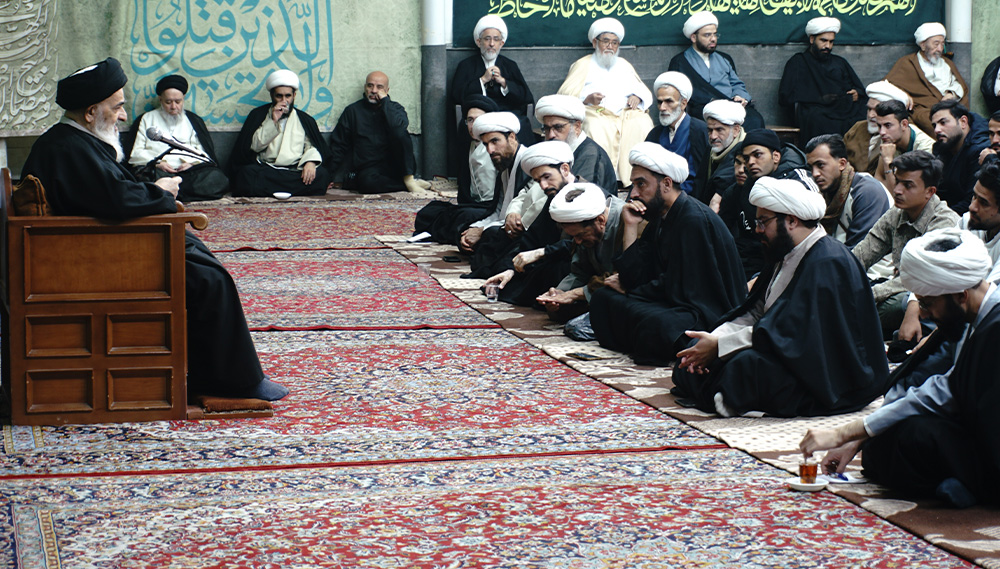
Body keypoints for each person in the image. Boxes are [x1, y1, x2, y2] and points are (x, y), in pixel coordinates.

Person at [20, 58, 288, 401]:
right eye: (117, 107)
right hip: (94, 257)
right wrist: (161, 193)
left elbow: (108, 193)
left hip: (98, 245)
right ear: (90, 112)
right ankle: (231, 383)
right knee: (209, 280)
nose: (122, 116)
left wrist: (155, 193)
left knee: (202, 262)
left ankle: (217, 374)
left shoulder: (74, 141)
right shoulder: (67, 148)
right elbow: (114, 200)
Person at [801, 228, 1000, 508]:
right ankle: (960, 481)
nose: (925, 314)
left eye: (927, 304)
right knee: (886, 438)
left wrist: (846, 432)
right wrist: (858, 436)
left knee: (912, 437)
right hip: (978, 429)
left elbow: (948, 394)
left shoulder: (995, 327)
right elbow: (939, 386)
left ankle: (976, 486)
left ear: (961, 295)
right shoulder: (973, 317)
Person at [673, 177, 889, 417]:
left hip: (830, 372)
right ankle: (720, 390)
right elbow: (757, 311)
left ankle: (723, 391)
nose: (757, 230)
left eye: (763, 222)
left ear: (792, 221)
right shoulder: (784, 251)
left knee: (745, 366)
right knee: (692, 351)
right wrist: (714, 340)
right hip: (782, 348)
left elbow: (792, 333)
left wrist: (720, 347)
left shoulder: (827, 262)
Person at [588, 142, 745, 364]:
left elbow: (686, 288)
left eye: (641, 184)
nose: (634, 193)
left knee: (658, 324)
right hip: (671, 299)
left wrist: (632, 290)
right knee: (603, 298)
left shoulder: (693, 219)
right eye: (633, 185)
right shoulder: (660, 217)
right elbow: (634, 275)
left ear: (667, 184)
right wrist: (630, 226)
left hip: (703, 311)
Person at [853, 150, 960, 338]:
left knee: (896, 304)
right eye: (897, 181)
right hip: (898, 286)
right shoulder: (897, 213)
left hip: (930, 297)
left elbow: (921, 278)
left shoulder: (944, 222)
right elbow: (863, 253)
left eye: (907, 185)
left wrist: (867, 295)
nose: (897, 190)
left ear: (930, 192)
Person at [557, 17, 653, 182]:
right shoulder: (583, 64)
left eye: (615, 43)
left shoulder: (623, 64)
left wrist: (637, 97)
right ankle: (603, 178)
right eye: (606, 41)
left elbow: (643, 91)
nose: (610, 46)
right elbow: (564, 94)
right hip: (595, 112)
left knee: (643, 123)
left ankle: (635, 178)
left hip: (624, 113)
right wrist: (587, 98)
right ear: (595, 42)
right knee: (595, 127)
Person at [482, 141, 579, 303]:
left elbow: (577, 245)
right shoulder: (554, 195)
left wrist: (541, 253)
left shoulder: (585, 195)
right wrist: (512, 269)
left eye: (547, 177)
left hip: (577, 265)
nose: (543, 186)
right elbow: (535, 237)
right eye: (538, 181)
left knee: (551, 271)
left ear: (564, 169)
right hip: (553, 255)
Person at [718, 128, 811, 281]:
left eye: (757, 155)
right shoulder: (741, 189)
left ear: (776, 156)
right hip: (749, 261)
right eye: (746, 158)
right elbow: (722, 232)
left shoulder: (798, 182)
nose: (750, 162)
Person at [535, 182, 630, 322]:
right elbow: (579, 272)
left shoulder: (627, 221)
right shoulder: (585, 230)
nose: (578, 242)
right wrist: (559, 294)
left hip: (626, 292)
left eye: (580, 235)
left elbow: (624, 278)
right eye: (573, 237)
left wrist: (574, 294)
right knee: (559, 311)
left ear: (601, 220)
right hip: (599, 290)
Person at [325, 71, 431, 195]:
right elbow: (339, 145)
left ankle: (409, 179)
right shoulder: (352, 111)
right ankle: (408, 185)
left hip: (397, 166)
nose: (374, 90)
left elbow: (398, 128)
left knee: (400, 132)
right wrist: (328, 176)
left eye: (379, 87)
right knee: (367, 184)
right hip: (369, 169)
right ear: (365, 87)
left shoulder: (396, 108)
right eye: (370, 86)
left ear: (387, 90)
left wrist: (385, 101)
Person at [125, 74, 228, 202]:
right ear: (160, 99)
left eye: (178, 102)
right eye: (168, 102)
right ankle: (174, 191)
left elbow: (204, 154)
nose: (173, 107)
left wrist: (191, 163)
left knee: (217, 178)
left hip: (189, 173)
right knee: (140, 178)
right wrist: (158, 163)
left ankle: (167, 192)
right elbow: (135, 153)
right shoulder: (146, 119)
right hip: (158, 171)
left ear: (183, 98)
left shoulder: (193, 120)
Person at [230, 69, 331, 196]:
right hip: (267, 169)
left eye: (288, 96)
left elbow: (310, 146)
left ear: (294, 95)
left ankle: (270, 190)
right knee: (246, 174)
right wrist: (273, 121)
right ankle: (292, 190)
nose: (284, 101)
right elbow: (254, 146)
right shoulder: (258, 115)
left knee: (321, 175)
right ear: (272, 95)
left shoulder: (304, 119)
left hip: (295, 170)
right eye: (279, 96)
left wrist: (310, 162)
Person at [414, 95, 498, 245]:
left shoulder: (497, 148)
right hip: (473, 204)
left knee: (463, 217)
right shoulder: (468, 143)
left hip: (492, 208)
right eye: (470, 120)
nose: (473, 125)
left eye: (478, 120)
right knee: (430, 211)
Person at [668, 11, 765, 131]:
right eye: (707, 35)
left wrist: (740, 96)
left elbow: (736, 84)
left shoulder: (725, 59)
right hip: (704, 108)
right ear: (694, 37)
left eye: (715, 34)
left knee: (755, 119)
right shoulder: (680, 62)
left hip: (732, 105)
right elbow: (679, 94)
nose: (713, 39)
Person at [451, 15, 535, 146]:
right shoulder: (466, 66)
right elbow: (457, 96)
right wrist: (482, 80)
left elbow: (526, 97)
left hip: (505, 115)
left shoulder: (510, 65)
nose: (491, 44)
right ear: (479, 42)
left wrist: (504, 83)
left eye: (496, 39)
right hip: (479, 115)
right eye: (487, 39)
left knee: (522, 123)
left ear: (501, 43)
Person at [778, 17, 866, 142]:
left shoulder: (839, 62)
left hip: (842, 109)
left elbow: (858, 88)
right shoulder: (798, 62)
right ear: (812, 39)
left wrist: (857, 93)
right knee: (818, 119)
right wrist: (820, 99)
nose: (827, 46)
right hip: (815, 111)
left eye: (831, 42)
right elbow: (786, 96)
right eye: (823, 41)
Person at [459, 111, 529, 254]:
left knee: (490, 238)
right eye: (486, 144)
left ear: (511, 137)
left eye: (495, 141)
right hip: (502, 224)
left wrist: (482, 231)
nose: (490, 150)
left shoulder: (527, 164)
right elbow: (498, 211)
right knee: (464, 229)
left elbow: (520, 219)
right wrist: (476, 228)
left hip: (522, 228)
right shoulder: (504, 164)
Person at [805, 134, 890, 249]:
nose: (815, 173)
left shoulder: (867, 192)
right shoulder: (822, 193)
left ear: (842, 164)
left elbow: (861, 250)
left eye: (821, 165)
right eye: (811, 168)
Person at [885, 22, 970, 136]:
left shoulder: (947, 63)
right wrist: (903, 96)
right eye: (936, 44)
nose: (940, 49)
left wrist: (951, 93)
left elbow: (958, 84)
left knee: (969, 121)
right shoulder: (907, 63)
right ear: (923, 45)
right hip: (925, 109)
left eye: (942, 44)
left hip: (951, 106)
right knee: (933, 122)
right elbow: (886, 86)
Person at [533, 94, 617, 195]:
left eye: (558, 127)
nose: (551, 135)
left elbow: (574, 198)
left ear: (577, 127)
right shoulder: (552, 151)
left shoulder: (590, 155)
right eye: (547, 128)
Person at [644, 71, 708, 196]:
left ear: (683, 104)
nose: (662, 107)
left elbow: (702, 177)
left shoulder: (700, 131)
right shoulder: (654, 134)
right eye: (660, 102)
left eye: (669, 101)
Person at [929, 100, 989, 215]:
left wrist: (934, 218)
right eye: (934, 125)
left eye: (943, 122)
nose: (937, 130)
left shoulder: (979, 151)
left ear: (963, 122)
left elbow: (971, 202)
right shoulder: (942, 148)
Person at [843, 80, 912, 173]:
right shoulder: (858, 128)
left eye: (876, 110)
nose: (871, 115)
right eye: (869, 109)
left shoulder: (900, 134)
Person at [869, 99, 935, 190]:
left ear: (904, 124)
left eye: (888, 125)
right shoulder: (889, 137)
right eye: (879, 126)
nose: (882, 132)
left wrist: (888, 161)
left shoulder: (925, 149)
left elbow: (903, 192)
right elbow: (879, 177)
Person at [699, 99, 746, 209]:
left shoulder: (746, 150)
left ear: (736, 130)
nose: (713, 136)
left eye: (719, 130)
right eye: (710, 130)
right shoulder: (711, 150)